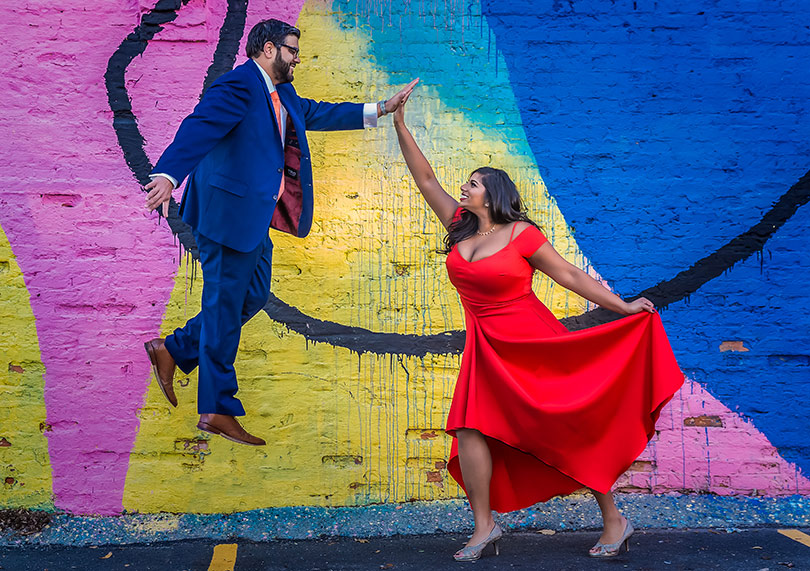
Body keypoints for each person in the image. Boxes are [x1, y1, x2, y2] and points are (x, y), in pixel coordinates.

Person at [391, 90, 684, 560]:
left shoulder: (522, 234)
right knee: (469, 429)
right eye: (465, 184)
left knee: (565, 430)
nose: (464, 189)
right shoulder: (461, 225)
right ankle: (484, 526)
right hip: (486, 346)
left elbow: (568, 274)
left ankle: (614, 517)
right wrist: (399, 124)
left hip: (532, 341)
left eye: (473, 184)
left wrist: (624, 307)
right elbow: (424, 178)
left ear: (495, 193)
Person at [143, 18, 416, 446]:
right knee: (222, 308)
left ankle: (174, 350)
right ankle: (216, 408)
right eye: (292, 50)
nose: (297, 59)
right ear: (268, 49)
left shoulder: (281, 92)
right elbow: (198, 128)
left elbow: (319, 113)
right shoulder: (237, 86)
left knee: (250, 296)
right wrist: (168, 174)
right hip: (225, 218)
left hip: (252, 220)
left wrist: (381, 108)